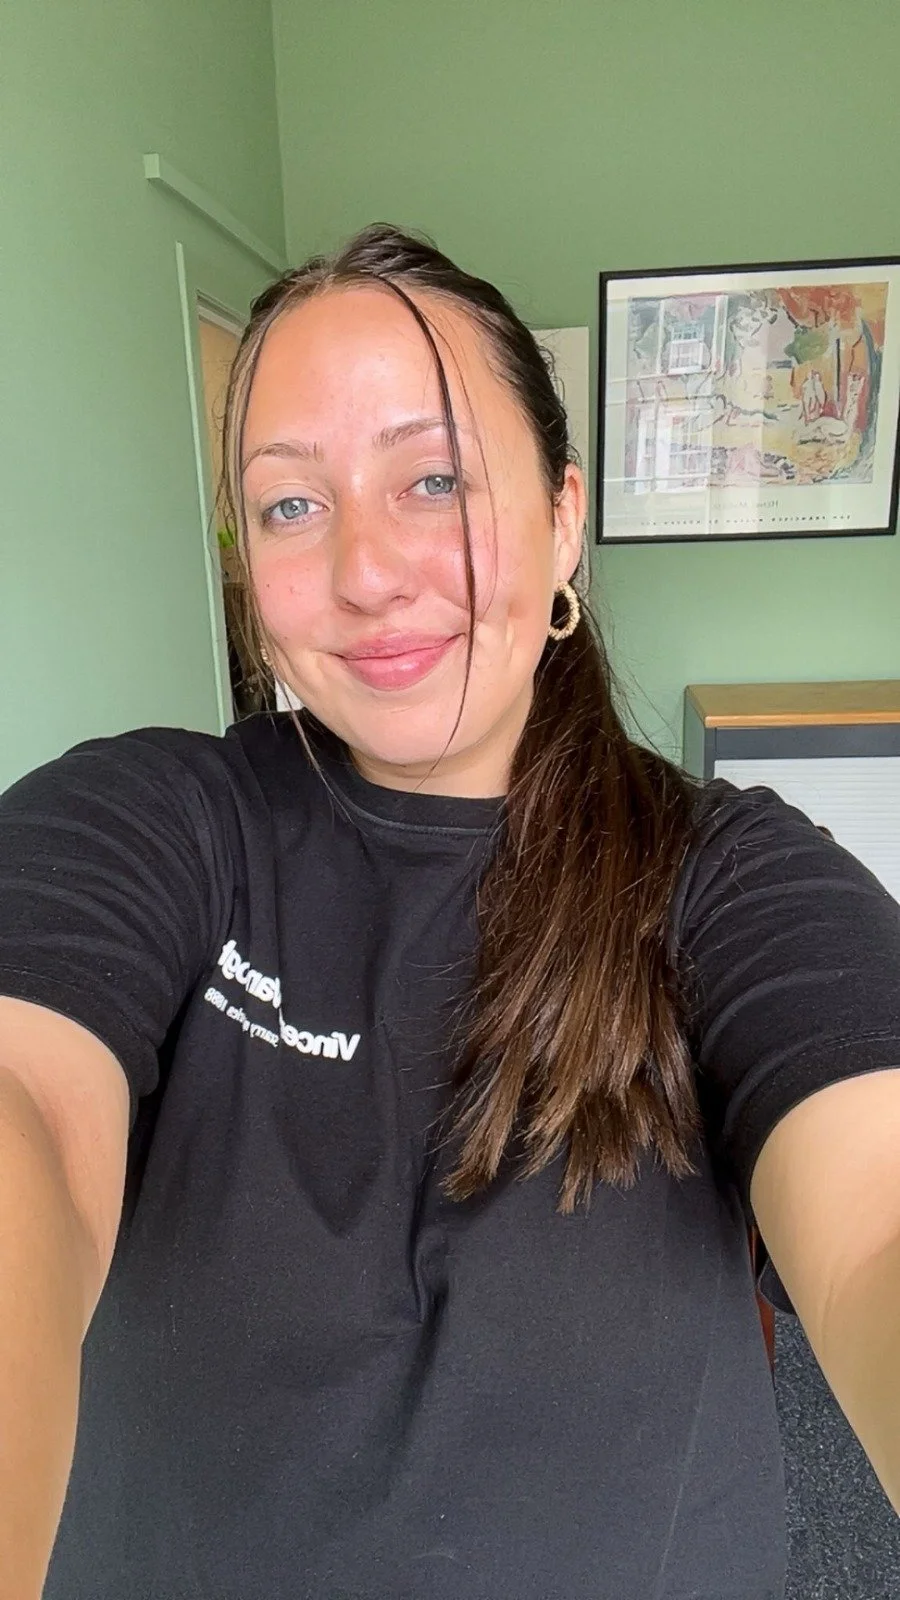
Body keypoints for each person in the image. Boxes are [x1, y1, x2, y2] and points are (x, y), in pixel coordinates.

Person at [1, 224, 899, 1600]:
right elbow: (29, 1118)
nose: (367, 571)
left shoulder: (723, 877)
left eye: (433, 478)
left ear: (563, 517)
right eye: (291, 505)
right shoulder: (156, 821)